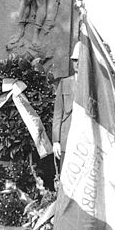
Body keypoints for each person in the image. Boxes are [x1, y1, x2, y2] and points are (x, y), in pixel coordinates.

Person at [52, 41, 80, 170]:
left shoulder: (92, 87)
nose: (77, 63)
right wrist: (56, 141)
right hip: (66, 139)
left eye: (80, 60)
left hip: (84, 141)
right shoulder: (64, 83)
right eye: (75, 60)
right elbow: (58, 114)